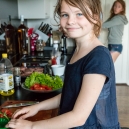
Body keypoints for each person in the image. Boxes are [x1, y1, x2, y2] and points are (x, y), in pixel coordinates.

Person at [6, 0, 121, 129]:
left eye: (79, 14)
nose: (70, 21)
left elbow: (79, 117)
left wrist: (32, 126)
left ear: (95, 17)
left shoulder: (98, 57)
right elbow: (69, 94)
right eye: (65, 15)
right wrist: (37, 107)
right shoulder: (77, 51)